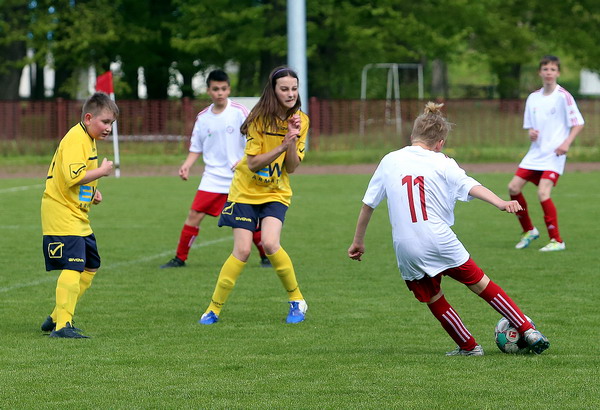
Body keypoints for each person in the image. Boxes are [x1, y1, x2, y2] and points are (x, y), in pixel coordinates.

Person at [348, 102, 550, 356]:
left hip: (407, 246)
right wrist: (500, 202)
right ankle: (527, 329)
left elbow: (368, 204)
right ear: (440, 143)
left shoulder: (390, 160)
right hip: (440, 238)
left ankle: (469, 347)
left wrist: (358, 241)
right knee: (481, 284)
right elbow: (469, 185)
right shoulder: (443, 162)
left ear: (412, 136)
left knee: (434, 297)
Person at [198, 66, 310, 325]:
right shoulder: (258, 119)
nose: (290, 94)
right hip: (245, 191)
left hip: (275, 191)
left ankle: (297, 300)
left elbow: (292, 167)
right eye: (284, 89)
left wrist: (292, 140)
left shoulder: (301, 120)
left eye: (294, 89)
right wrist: (283, 144)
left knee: (270, 244)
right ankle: (213, 309)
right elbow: (253, 163)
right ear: (273, 91)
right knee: (242, 250)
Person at [160, 70, 270, 269]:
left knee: (246, 219)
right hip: (212, 177)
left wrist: (244, 160)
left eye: (224, 89)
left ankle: (266, 256)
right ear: (208, 91)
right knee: (194, 215)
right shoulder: (203, 118)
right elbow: (196, 147)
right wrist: (186, 165)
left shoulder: (240, 112)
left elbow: (257, 139)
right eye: (216, 89)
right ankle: (179, 258)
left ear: (229, 90)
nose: (220, 93)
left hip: (239, 177)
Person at [40, 92, 118, 338]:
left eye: (111, 123)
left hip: (76, 213)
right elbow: (74, 176)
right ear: (88, 118)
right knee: (73, 265)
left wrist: (92, 192)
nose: (108, 128)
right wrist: (102, 172)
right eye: (105, 122)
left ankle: (55, 317)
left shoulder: (88, 137)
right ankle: (63, 326)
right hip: (61, 211)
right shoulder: (76, 139)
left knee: (91, 266)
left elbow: (77, 177)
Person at [508, 55, 584, 252]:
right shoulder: (533, 98)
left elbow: (578, 123)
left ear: (558, 73)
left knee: (543, 192)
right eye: (545, 69)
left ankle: (556, 240)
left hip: (554, 155)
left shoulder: (563, 96)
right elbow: (530, 127)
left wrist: (566, 143)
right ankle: (529, 230)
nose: (549, 73)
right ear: (540, 72)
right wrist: (531, 133)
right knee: (513, 188)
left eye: (552, 69)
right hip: (535, 154)